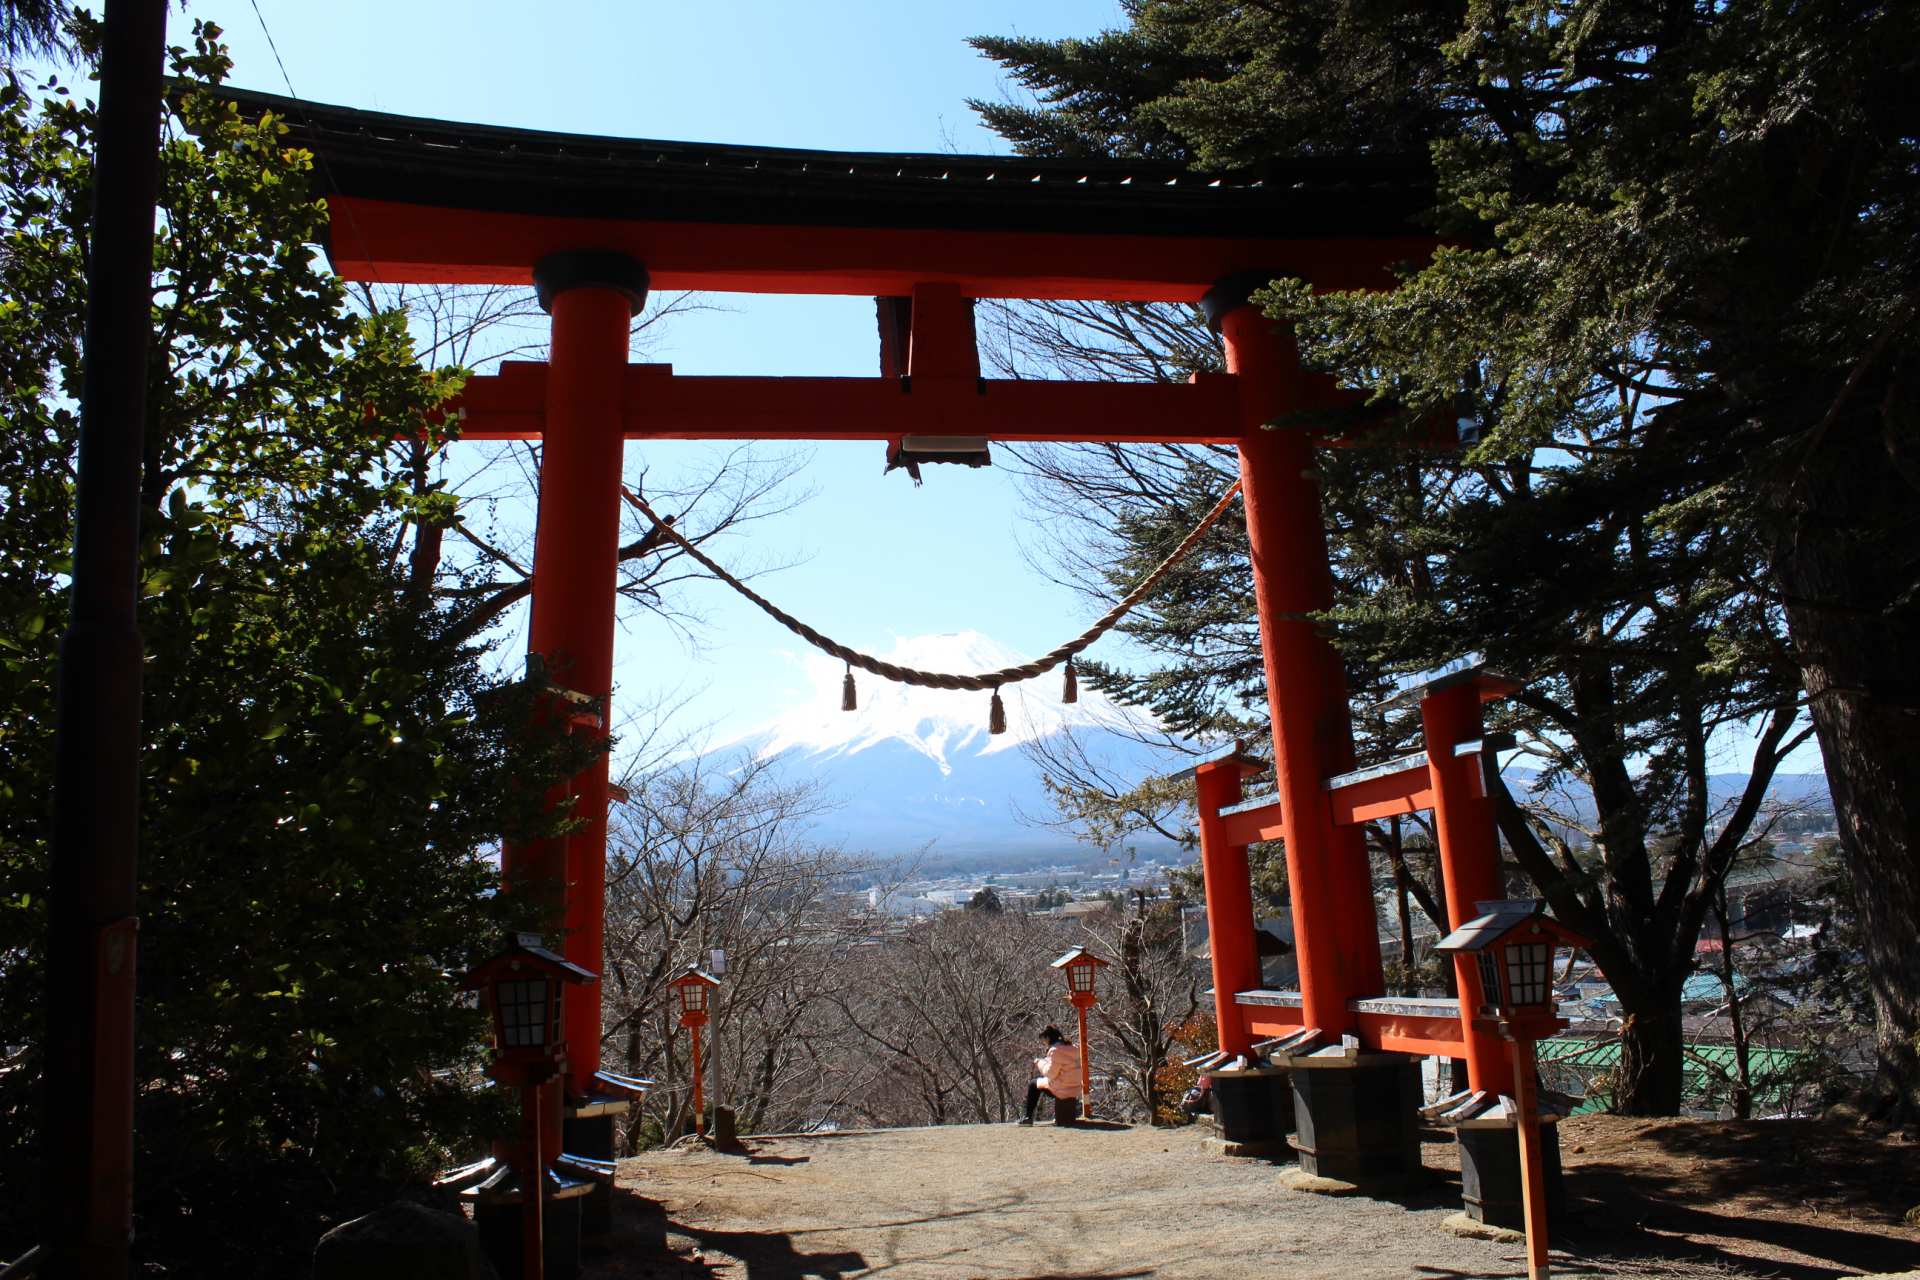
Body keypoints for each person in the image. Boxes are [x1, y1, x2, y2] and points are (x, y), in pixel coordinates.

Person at [1018, 1025, 1081, 1125]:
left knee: (1033, 1084)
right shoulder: (1072, 1048)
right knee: (1047, 1081)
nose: (1044, 1043)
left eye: (1043, 1040)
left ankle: (1028, 1117)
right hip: (1075, 1087)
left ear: (1047, 1038)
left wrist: (1039, 1062)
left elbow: (1050, 1073)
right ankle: (1064, 1115)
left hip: (1063, 1088)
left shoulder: (1055, 1050)